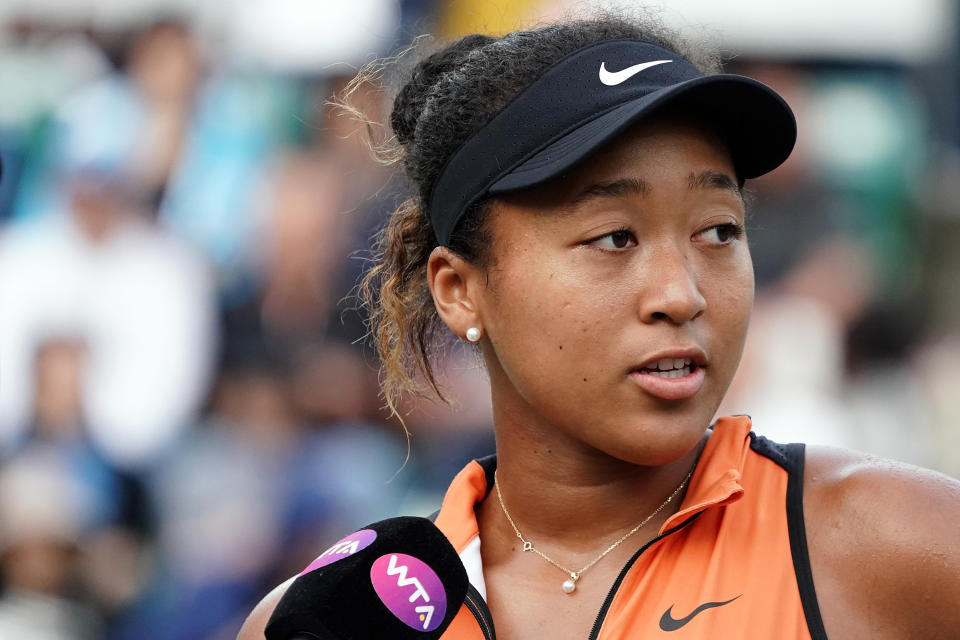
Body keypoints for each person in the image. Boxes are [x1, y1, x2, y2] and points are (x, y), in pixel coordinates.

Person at [239, 14, 960, 639]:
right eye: (614, 237)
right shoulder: (335, 621)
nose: (681, 294)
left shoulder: (899, 545)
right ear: (459, 291)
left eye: (717, 231)